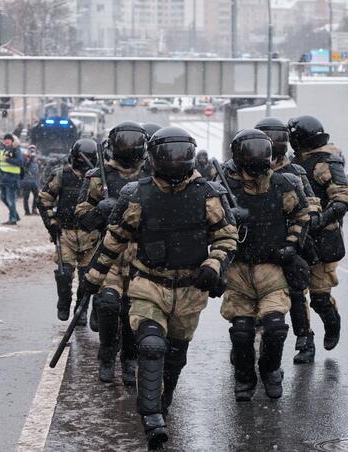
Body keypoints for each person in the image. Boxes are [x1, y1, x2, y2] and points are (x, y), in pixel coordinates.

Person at [78, 126, 237, 449]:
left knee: (175, 357)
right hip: (149, 283)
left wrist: (214, 264)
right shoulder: (139, 194)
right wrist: (93, 278)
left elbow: (226, 236)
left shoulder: (209, 195)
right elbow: (114, 239)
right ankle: (150, 418)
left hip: (191, 289)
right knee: (150, 345)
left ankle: (162, 403)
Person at [217, 129, 309, 402]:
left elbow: (302, 214)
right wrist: (229, 219)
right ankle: (244, 378)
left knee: (275, 327)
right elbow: (207, 222)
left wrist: (291, 245)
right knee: (242, 332)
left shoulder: (284, 185)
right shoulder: (225, 188)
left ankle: (270, 369)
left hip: (272, 268)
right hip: (238, 271)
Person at [76, 121, 147, 384]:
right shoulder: (98, 177)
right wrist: (100, 211)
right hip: (109, 252)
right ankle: (107, 353)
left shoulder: (152, 176)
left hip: (142, 255)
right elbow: (81, 217)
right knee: (107, 304)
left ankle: (129, 357)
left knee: (132, 310)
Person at [256, 117, 319, 364]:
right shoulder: (241, 169)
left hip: (288, 241)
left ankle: (305, 339)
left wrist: (300, 229)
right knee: (248, 297)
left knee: (296, 293)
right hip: (257, 241)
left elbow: (311, 204)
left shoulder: (295, 172)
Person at [289, 116, 348, 352]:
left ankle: (332, 322)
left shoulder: (326, 162)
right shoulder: (292, 162)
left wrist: (318, 220)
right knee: (296, 293)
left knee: (319, 297)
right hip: (297, 237)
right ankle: (305, 341)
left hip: (322, 239)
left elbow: (342, 200)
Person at [37, 138, 99, 323]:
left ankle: (81, 309)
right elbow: (44, 199)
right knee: (65, 274)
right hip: (66, 233)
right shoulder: (62, 175)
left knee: (87, 277)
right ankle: (64, 302)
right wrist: (52, 223)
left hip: (91, 235)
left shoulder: (98, 178)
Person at [0, 133, 24, 225]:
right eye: (5, 139)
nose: (6, 141)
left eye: (9, 139)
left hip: (12, 178)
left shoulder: (16, 150)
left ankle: (13, 218)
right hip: (3, 178)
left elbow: (20, 162)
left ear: (12, 141)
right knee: (4, 198)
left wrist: (8, 160)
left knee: (10, 199)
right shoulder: (2, 150)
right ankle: (15, 215)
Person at [21, 145, 41, 215]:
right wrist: (29, 158)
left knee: (37, 196)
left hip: (34, 181)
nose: (32, 151)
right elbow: (24, 166)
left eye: (33, 149)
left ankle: (34, 209)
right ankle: (27, 211)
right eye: (31, 149)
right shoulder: (25, 158)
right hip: (27, 181)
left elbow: (39, 169)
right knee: (26, 197)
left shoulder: (36, 159)